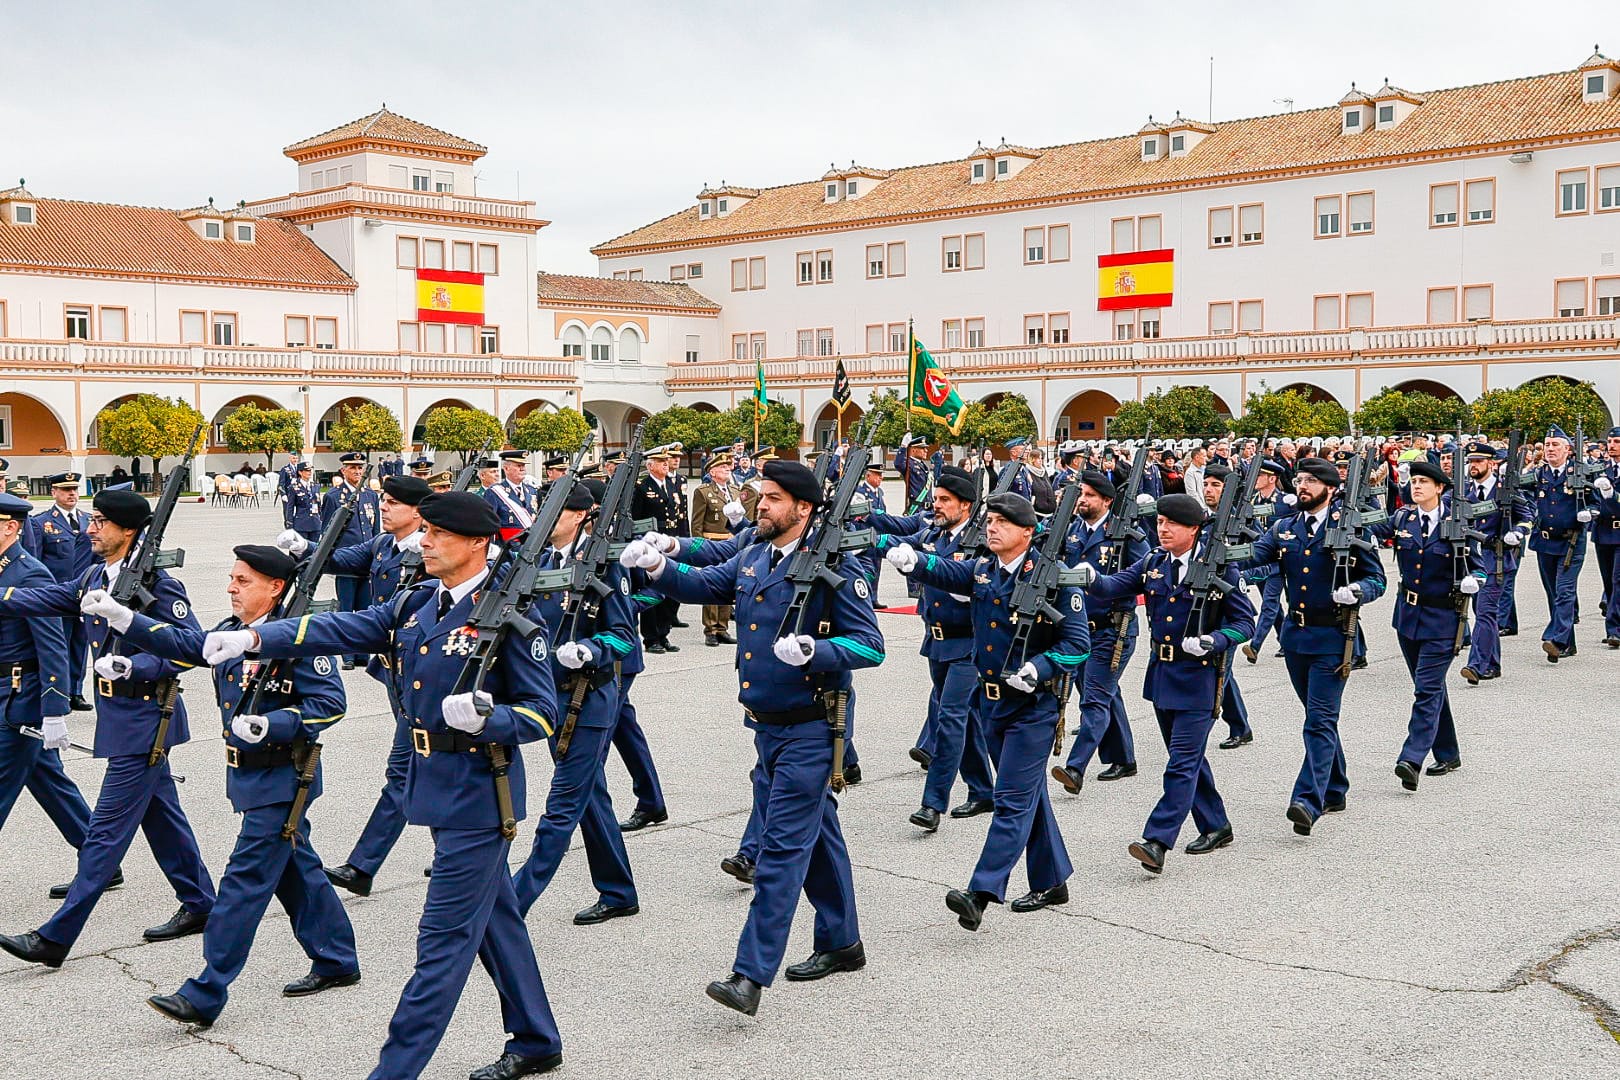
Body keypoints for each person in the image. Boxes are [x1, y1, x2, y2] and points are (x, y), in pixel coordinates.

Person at [201, 491, 563, 1080]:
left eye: (437, 535)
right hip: (432, 787)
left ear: (477, 544)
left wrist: (491, 718)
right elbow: (346, 626)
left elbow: (543, 713)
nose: (424, 541)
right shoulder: (418, 602)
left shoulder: (517, 616)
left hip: (478, 794)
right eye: (424, 530)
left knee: (441, 945)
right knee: (496, 919)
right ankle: (537, 1037)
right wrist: (256, 639)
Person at [619, 459, 882, 1017]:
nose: (760, 505)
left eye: (772, 499)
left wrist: (820, 651)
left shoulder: (839, 567)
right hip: (766, 725)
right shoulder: (756, 554)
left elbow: (871, 646)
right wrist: (657, 567)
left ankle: (749, 974)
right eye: (760, 497)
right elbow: (704, 583)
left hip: (813, 725)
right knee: (820, 835)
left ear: (802, 509)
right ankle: (842, 942)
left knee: (782, 850)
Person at [86, 545, 358, 1027]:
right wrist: (125, 619)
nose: (231, 587)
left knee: (244, 880)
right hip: (248, 775)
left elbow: (331, 703)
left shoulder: (301, 637)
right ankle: (337, 959)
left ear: (275, 587)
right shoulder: (233, 633)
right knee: (296, 867)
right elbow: (184, 645)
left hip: (283, 776)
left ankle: (207, 990)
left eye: (244, 580)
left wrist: (274, 724)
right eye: (231, 578)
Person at [0, 488, 215, 968]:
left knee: (104, 835)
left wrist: (135, 665)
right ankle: (201, 903)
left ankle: (55, 938)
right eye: (91, 519)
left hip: (146, 720)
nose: (90, 528)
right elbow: (54, 596)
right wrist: (5, 595)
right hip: (118, 719)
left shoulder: (158, 584)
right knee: (163, 818)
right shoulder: (98, 574)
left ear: (127, 530)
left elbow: (192, 647)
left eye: (99, 521)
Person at [886, 491, 1089, 926]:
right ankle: (1053, 879)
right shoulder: (983, 570)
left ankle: (982, 891)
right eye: (990, 520)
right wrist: (915, 562)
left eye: (1001, 522)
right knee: (1028, 794)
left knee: (1011, 800)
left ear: (1028, 532)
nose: (991, 528)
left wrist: (1039, 666)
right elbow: (950, 572)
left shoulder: (1056, 578)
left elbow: (1078, 646)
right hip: (992, 703)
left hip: (1034, 707)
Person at [1086, 493, 1255, 875]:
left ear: (1194, 529)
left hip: (1199, 679)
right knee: (1189, 760)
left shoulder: (1219, 568)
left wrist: (1216, 640)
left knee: (1180, 764)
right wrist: (1088, 578)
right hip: (1162, 677)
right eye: (1160, 523)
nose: (1162, 530)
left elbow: (1246, 621)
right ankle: (1216, 825)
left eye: (1172, 524)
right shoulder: (1154, 563)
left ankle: (1157, 840)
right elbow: (1114, 587)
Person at [286, 475, 431, 897]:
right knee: (425, 764)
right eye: (383, 501)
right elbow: (340, 558)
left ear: (417, 513)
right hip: (394, 671)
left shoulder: (431, 552)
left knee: (405, 768)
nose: (383, 508)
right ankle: (452, 851)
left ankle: (364, 865)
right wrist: (302, 549)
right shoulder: (383, 546)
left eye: (392, 503)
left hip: (422, 675)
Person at [510, 481, 641, 927]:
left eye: (557, 511)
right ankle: (619, 890)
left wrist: (591, 648)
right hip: (553, 696)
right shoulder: (544, 561)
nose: (546, 520)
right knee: (590, 798)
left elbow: (623, 635)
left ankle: (513, 901)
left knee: (562, 805)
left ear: (581, 515)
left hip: (589, 698)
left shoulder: (603, 565)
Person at [1240, 458, 1386, 837]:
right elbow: (1254, 557)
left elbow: (1378, 578)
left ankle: (1308, 799)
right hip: (1296, 637)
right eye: (1300, 479)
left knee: (1318, 720)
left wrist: (1358, 591)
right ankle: (1336, 787)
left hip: (1334, 638)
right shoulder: (1285, 528)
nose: (1302, 486)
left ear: (1331, 489)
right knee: (1318, 715)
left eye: (1311, 481)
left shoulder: (1349, 529)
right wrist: (1223, 560)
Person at [867, 467, 996, 829]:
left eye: (944, 501)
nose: (936, 506)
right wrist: (866, 534)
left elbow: (981, 574)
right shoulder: (932, 534)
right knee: (965, 720)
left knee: (949, 718)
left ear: (965, 505)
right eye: (936, 499)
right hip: (937, 641)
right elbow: (900, 544)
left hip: (970, 643)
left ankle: (932, 804)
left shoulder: (982, 540)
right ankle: (983, 791)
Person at [1366, 462, 1483, 788]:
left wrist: (1475, 580)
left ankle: (1412, 757)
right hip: (1407, 618)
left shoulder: (1457, 522)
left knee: (1426, 689)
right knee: (1431, 688)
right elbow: (1372, 530)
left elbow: (1479, 566)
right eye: (1414, 481)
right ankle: (1448, 752)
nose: (1416, 486)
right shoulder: (1404, 518)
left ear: (1439, 488)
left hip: (1443, 619)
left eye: (1423, 482)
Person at [0, 492, 96, 882]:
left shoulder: (29, 574)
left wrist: (54, 710)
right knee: (49, 781)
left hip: (19, 699)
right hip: (4, 695)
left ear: (10, 527)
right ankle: (100, 862)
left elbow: (53, 646)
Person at [1052, 469, 1148, 794]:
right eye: (1081, 493)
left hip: (1113, 630)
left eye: (1090, 495)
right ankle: (1124, 758)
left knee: (1093, 699)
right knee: (1106, 693)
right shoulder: (1073, 532)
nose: (1082, 500)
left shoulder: (1126, 537)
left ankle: (1075, 768)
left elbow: (1144, 573)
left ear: (1107, 500)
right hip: (1080, 630)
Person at [1460, 442, 1531, 684]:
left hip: (1497, 559)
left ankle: (1476, 665)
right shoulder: (1462, 492)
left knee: (1485, 612)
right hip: (1471, 562)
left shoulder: (1504, 491)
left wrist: (1518, 533)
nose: (1473, 466)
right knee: (1482, 613)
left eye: (1478, 461)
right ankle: (1493, 664)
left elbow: (1527, 516)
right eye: (1471, 462)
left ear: (1492, 463)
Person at [1527, 426, 1588, 662]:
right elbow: (1520, 497)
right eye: (1547, 445)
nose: (1550, 449)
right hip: (1544, 543)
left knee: (1565, 591)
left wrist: (1589, 511)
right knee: (1553, 593)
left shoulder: (1578, 473)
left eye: (1555, 445)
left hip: (1570, 542)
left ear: (1568, 449)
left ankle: (1556, 638)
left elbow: (1594, 501)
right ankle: (1568, 644)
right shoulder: (1538, 474)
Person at [35, 472, 95, 711]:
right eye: (65, 489)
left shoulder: (88, 520)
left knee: (80, 643)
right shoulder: (41, 523)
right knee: (57, 646)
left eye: (74, 489)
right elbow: (36, 563)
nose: (72, 494)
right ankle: (57, 692)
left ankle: (75, 691)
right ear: (54, 492)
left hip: (83, 595)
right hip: (56, 596)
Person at [321, 452, 382, 669]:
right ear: (343, 470)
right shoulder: (334, 496)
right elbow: (327, 532)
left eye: (360, 467)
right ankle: (347, 654)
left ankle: (362, 652)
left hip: (366, 562)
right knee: (346, 609)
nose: (357, 471)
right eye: (352, 467)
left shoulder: (371, 496)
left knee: (365, 609)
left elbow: (376, 529)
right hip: (346, 562)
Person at [689, 450, 754, 646]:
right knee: (710, 584)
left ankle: (722, 627)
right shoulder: (703, 492)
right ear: (713, 471)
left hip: (732, 542)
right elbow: (696, 523)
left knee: (729, 584)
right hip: (712, 543)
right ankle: (710, 629)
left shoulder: (735, 490)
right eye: (722, 467)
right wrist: (698, 548)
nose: (727, 469)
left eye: (728, 467)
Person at [632, 444, 689, 653]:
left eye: (667, 462)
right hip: (651, 547)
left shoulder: (672, 485)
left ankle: (664, 633)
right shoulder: (642, 486)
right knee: (652, 591)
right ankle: (651, 637)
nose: (667, 464)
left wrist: (683, 543)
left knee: (670, 590)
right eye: (661, 462)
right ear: (650, 465)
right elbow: (635, 519)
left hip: (671, 544)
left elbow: (680, 516)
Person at [1240, 461, 1294, 665]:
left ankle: (1255, 645)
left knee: (1270, 603)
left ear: (1272, 479)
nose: (1255, 480)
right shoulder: (1250, 502)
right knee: (1273, 605)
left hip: (1278, 561)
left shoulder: (1285, 502)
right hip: (1258, 560)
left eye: (1260, 476)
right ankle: (1284, 640)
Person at [484, 449, 538, 543]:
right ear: (506, 468)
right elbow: (489, 525)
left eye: (523, 465)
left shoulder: (532, 490)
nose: (523, 469)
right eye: (518, 466)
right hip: (508, 549)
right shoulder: (494, 492)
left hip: (531, 545)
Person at [287, 463, 322, 542]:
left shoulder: (315, 486)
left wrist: (321, 519)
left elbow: (318, 505)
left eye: (310, 470)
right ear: (300, 472)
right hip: (301, 523)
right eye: (306, 470)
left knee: (315, 549)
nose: (309, 472)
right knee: (300, 550)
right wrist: (289, 523)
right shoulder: (294, 487)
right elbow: (290, 507)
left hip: (315, 523)